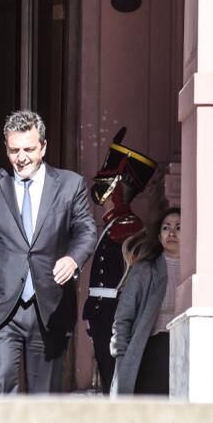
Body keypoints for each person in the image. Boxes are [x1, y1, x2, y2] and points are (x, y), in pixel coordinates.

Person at [0, 110, 96, 393]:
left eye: (29, 149)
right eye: (14, 150)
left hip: (50, 305)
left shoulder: (70, 185)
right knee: (1, 383)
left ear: (43, 147)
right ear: (6, 148)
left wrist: (72, 258)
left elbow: (86, 231)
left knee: (45, 396)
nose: (22, 157)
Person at [82, 127, 157, 391]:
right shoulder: (114, 224)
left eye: (105, 187)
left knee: (114, 378)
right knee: (106, 375)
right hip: (102, 312)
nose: (99, 196)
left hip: (113, 313)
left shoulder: (126, 226)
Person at [110, 207, 181, 396]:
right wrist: (121, 354)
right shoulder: (145, 269)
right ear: (159, 236)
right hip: (152, 349)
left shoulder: (194, 270)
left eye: (179, 227)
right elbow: (124, 315)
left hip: (185, 348)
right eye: (166, 228)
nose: (172, 232)